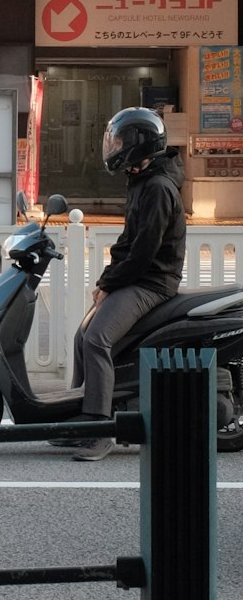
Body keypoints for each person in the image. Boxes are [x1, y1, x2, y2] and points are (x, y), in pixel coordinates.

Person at [70, 107, 185, 462]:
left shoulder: (159, 188)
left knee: (97, 339)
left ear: (139, 144)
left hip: (153, 281)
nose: (114, 147)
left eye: (119, 141)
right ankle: (76, 419)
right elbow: (127, 242)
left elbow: (143, 252)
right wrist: (108, 279)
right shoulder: (141, 180)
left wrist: (111, 282)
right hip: (138, 275)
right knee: (81, 336)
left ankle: (100, 430)